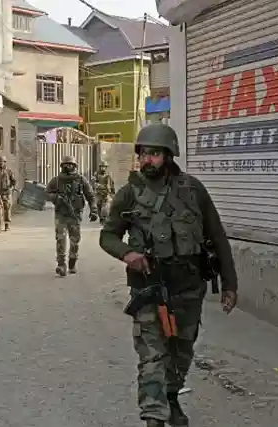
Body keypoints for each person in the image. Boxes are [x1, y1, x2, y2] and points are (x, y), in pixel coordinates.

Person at [99, 123, 238, 427]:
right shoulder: (128, 195)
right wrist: (128, 254)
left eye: (154, 154)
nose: (147, 160)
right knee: (152, 357)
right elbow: (107, 236)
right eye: (143, 154)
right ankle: (154, 416)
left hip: (188, 288)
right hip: (149, 289)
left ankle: (171, 398)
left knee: (182, 353)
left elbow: (217, 235)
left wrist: (230, 283)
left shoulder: (193, 190)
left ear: (169, 156)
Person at [45, 155, 98, 276]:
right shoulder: (56, 180)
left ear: (75, 166)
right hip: (61, 215)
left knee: (75, 240)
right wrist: (56, 198)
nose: (67, 166)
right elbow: (46, 192)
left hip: (75, 215)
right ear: (61, 166)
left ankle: (72, 262)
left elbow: (90, 195)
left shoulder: (80, 180)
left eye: (70, 164)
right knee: (60, 239)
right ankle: (61, 265)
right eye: (65, 164)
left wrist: (94, 210)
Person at [0, 155, 16, 233]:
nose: (1, 163)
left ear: (5, 162)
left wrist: (11, 189)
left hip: (7, 194)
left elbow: (13, 181)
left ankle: (7, 225)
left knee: (7, 210)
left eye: (2, 162)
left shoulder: (9, 172)